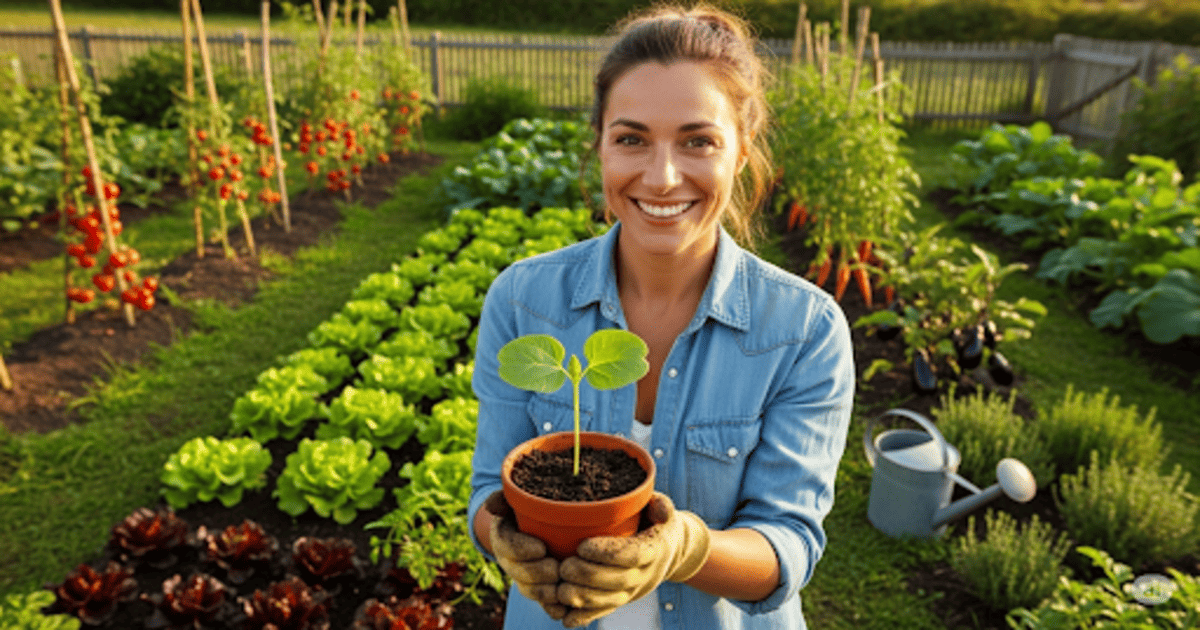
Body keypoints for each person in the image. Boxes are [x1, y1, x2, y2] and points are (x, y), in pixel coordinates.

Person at [467, 2, 856, 628]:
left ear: (741, 150)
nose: (663, 175)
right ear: (599, 144)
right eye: (632, 139)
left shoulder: (804, 329)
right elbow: (490, 492)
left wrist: (684, 548)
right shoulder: (522, 299)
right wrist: (507, 541)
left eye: (698, 141)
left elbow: (788, 543)